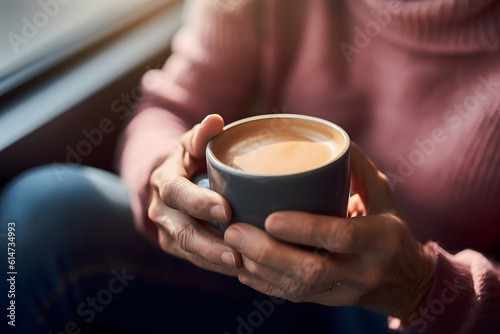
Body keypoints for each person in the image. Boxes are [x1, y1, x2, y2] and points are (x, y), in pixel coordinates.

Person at [1, 0, 499, 333]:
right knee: (40, 215)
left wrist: (426, 289)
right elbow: (168, 107)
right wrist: (165, 179)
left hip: (422, 312)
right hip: (251, 268)